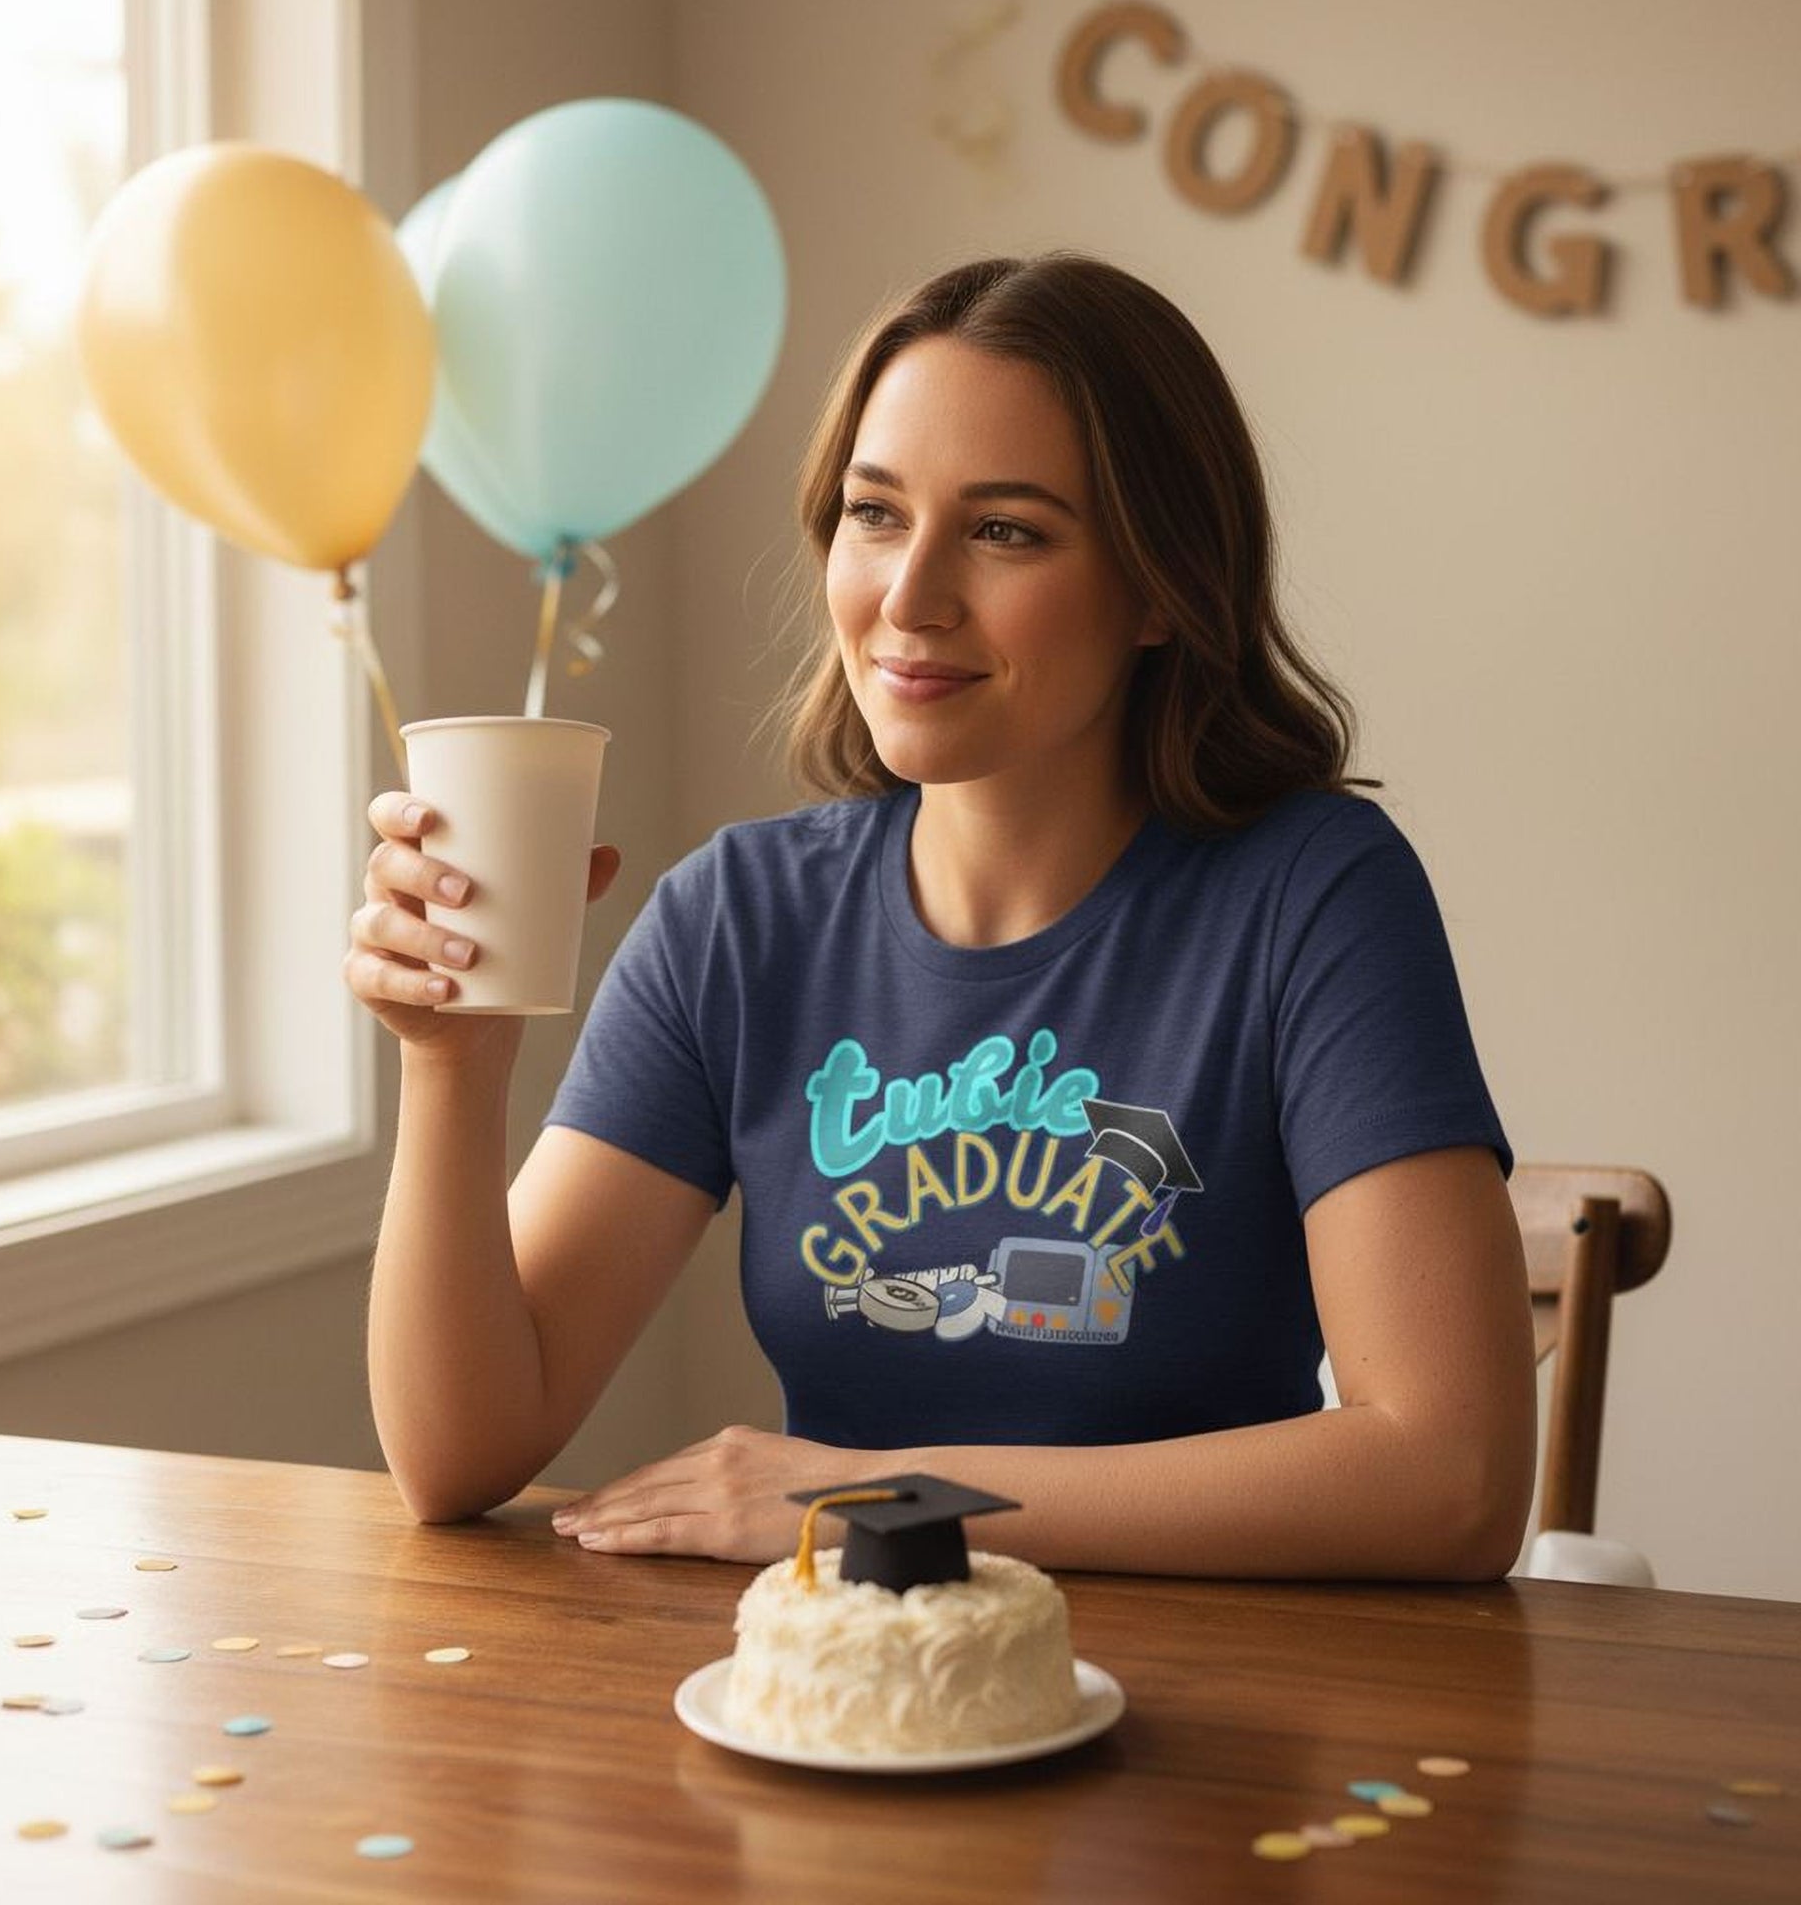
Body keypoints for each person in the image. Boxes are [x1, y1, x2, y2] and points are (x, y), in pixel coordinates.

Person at [348, 252, 1536, 1580]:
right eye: (873, 513)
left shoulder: (1312, 893)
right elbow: (457, 1456)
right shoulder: (735, 923)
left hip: (1216, 1706)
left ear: (1158, 587)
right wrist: (452, 1062)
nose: (907, 597)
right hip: (842, 1708)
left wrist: (875, 1493)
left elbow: (1451, 1478)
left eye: (1005, 529)